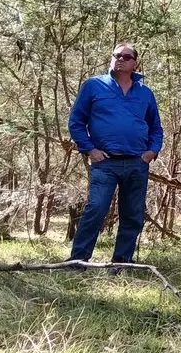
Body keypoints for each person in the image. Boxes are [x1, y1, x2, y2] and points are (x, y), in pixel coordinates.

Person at [68, 43, 164, 265]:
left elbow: (156, 127)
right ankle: (77, 261)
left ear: (135, 63)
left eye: (126, 56)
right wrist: (90, 149)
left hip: (137, 163)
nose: (120, 59)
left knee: (132, 215)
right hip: (105, 162)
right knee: (96, 209)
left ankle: (121, 263)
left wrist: (151, 152)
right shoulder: (94, 86)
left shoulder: (145, 93)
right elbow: (76, 121)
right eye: (116, 55)